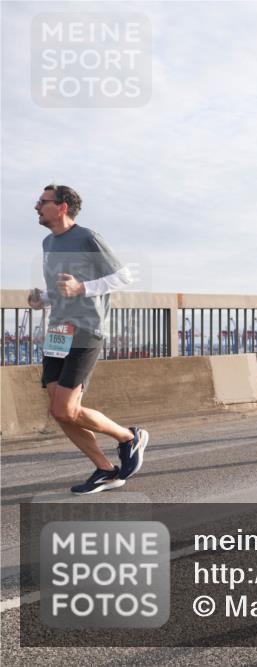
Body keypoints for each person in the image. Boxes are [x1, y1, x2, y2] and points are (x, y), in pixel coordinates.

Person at [27, 184, 149, 495]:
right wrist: (44, 297)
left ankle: (128, 438)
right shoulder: (47, 242)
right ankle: (106, 470)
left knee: (67, 409)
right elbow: (62, 288)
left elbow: (123, 277)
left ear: (62, 206)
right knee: (58, 410)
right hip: (58, 329)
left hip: (86, 329)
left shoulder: (87, 237)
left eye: (43, 202)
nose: (37, 206)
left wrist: (82, 288)